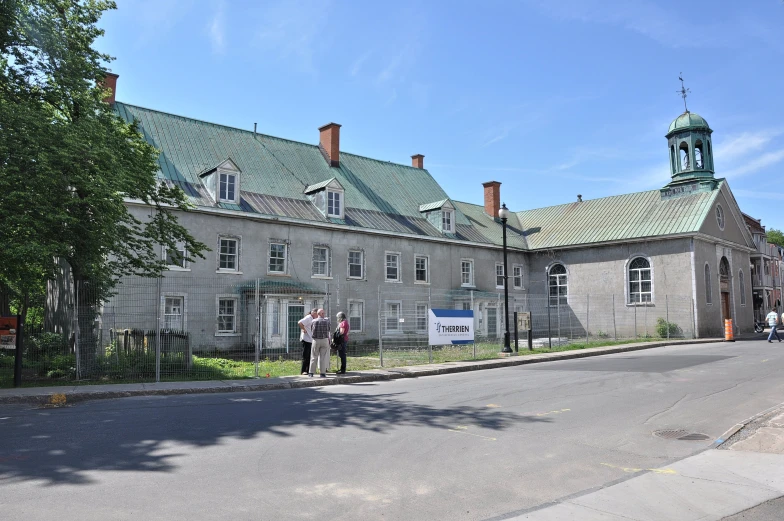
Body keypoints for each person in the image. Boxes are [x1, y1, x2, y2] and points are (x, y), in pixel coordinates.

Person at [309, 309, 331, 377]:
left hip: (316, 339)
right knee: (323, 357)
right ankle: (322, 373)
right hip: (324, 339)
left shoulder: (313, 321)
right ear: (321, 314)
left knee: (314, 356)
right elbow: (329, 329)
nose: (324, 314)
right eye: (323, 313)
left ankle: (311, 372)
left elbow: (311, 329)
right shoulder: (327, 321)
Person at [298, 309, 318, 375]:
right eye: (317, 314)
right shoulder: (309, 317)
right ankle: (303, 370)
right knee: (306, 356)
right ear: (314, 313)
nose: (318, 316)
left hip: (310, 339)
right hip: (306, 339)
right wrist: (304, 329)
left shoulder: (312, 318)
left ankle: (309, 370)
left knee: (310, 356)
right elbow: (300, 322)